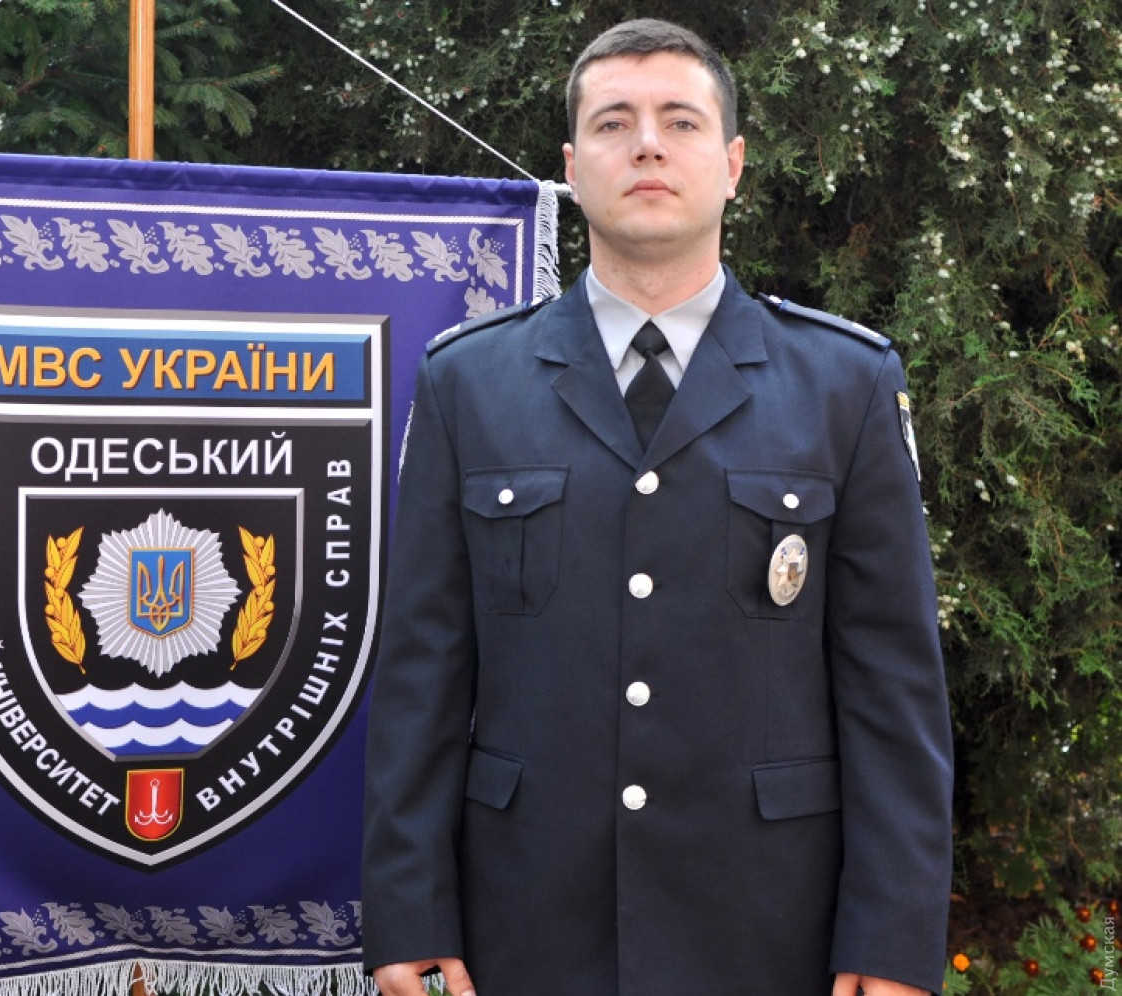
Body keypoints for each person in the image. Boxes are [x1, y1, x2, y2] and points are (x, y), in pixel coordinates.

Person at [360, 17, 953, 996]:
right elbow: (422, 675)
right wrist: (408, 912)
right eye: (612, 123)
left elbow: (893, 692)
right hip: (527, 923)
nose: (646, 145)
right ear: (571, 168)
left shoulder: (843, 385)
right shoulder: (470, 383)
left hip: (771, 927)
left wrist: (891, 942)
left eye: (680, 121)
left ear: (733, 165)